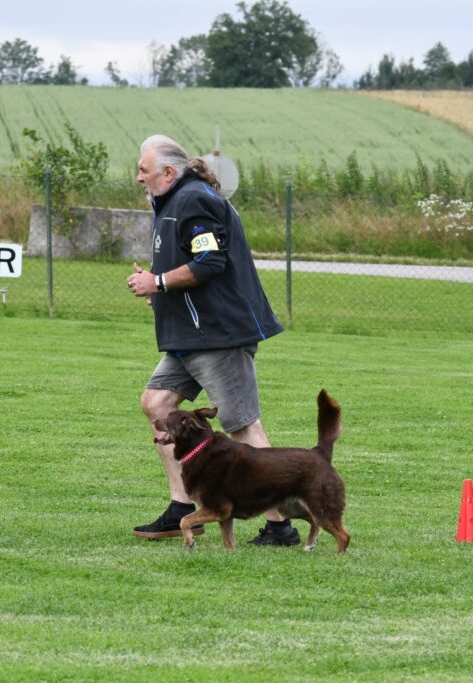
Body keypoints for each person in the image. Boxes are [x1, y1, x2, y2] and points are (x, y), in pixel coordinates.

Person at [126, 134, 296, 546]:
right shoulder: (172, 201)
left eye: (144, 170)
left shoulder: (194, 200)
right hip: (190, 334)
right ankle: (182, 508)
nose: (138, 178)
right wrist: (160, 290)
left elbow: (209, 261)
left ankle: (280, 526)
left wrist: (158, 282)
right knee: (157, 404)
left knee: (243, 428)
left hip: (218, 334)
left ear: (169, 172)